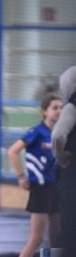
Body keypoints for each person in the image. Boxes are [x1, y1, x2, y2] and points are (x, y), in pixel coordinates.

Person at [7, 93, 63, 257]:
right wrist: (22, 177)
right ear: (45, 111)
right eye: (55, 108)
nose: (59, 111)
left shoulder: (59, 134)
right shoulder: (37, 132)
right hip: (40, 188)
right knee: (36, 238)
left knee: (56, 238)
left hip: (55, 187)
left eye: (61, 108)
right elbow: (13, 151)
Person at [52, 65, 76, 244]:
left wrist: (61, 157)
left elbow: (58, 136)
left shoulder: (71, 108)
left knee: (68, 224)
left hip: (72, 174)